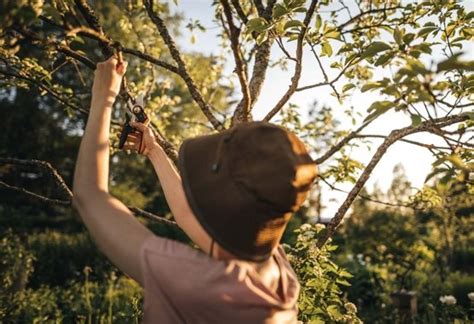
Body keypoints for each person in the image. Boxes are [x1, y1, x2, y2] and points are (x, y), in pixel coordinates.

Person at [73, 55, 318, 323]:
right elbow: (188, 215)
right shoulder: (278, 272)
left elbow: (90, 195)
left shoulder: (199, 286)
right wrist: (154, 151)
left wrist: (103, 97)